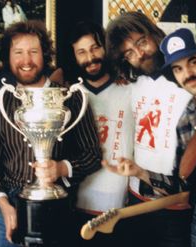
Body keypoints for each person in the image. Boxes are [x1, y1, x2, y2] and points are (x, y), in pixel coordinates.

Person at [106, 27, 196, 246]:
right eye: (178, 69)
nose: (188, 73)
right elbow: (181, 183)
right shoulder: (186, 122)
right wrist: (139, 172)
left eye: (193, 62)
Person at [0, 20, 102, 247]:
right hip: (9, 204)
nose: (26, 61)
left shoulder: (70, 97)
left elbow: (93, 155)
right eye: (18, 52)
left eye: (33, 52)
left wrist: (60, 169)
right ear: (8, 57)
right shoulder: (2, 101)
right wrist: (3, 203)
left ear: (45, 54)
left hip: (56, 206)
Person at [104, 11, 193, 247]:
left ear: (153, 34)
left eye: (141, 42)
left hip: (175, 203)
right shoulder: (132, 84)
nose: (140, 54)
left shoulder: (186, 75)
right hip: (137, 198)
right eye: (129, 53)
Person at [53, 21, 133, 247]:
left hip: (119, 209)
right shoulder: (69, 95)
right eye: (82, 52)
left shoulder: (129, 88)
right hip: (77, 207)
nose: (90, 57)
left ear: (106, 47)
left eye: (95, 48)